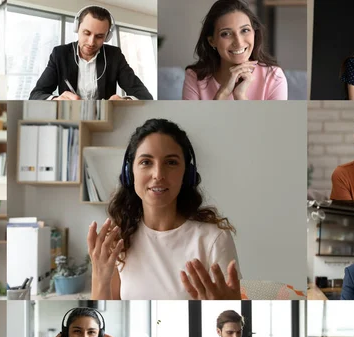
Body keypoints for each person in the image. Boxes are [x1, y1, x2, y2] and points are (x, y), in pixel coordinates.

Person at [87, 118, 241, 300]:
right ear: (130, 173)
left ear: (187, 174)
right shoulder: (118, 239)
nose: (158, 174)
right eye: (146, 162)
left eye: (171, 162)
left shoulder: (214, 240)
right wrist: (99, 276)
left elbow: (229, 312)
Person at [29, 5, 152, 100]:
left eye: (99, 36)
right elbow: (36, 94)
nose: (91, 42)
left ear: (107, 36)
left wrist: (126, 101)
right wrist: (57, 99)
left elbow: (144, 95)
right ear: (77, 28)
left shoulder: (115, 56)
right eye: (86, 33)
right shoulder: (59, 54)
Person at [183, 0, 287, 100]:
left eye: (245, 30)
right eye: (226, 33)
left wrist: (240, 96)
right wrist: (222, 93)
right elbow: (192, 119)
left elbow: (274, 119)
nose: (239, 42)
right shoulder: (194, 77)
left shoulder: (273, 76)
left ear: (254, 33)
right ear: (212, 41)